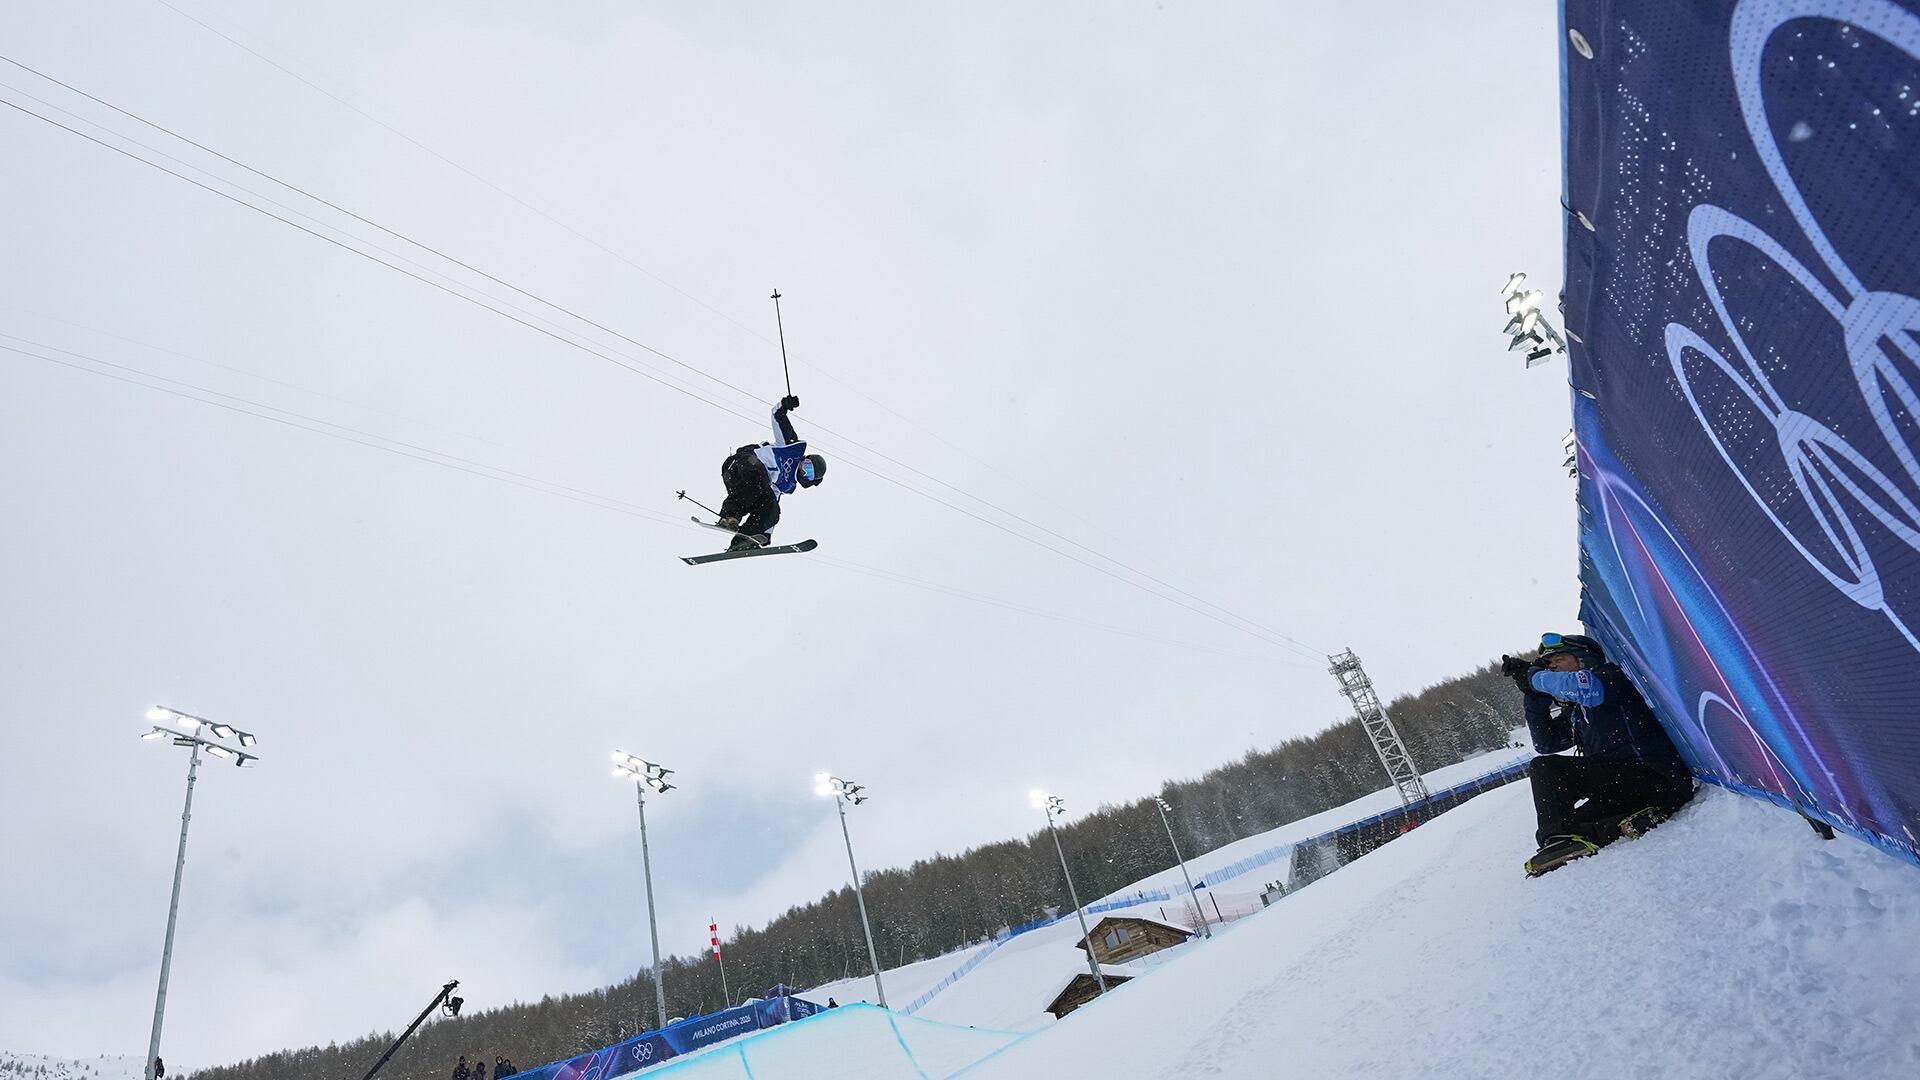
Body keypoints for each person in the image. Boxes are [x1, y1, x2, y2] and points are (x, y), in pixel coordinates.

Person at [1502, 633, 1695, 875]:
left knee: (1546, 768)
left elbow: (1584, 687)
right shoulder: (1578, 711)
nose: (1552, 667)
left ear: (1583, 659)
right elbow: (1546, 743)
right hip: (1627, 789)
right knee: (1564, 823)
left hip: (1656, 777)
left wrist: (1534, 678)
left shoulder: (1610, 678)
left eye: (1558, 659)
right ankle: (1635, 821)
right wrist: (1534, 696)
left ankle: (1565, 841)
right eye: (1548, 664)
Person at [716, 395, 826, 548]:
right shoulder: (791, 448)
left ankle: (745, 539)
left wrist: (766, 532)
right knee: (758, 477)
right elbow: (777, 415)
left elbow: (771, 503)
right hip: (740, 464)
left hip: (745, 486)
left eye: (809, 472)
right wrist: (785, 405)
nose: (803, 470)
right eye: (807, 464)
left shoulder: (785, 485)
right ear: (804, 458)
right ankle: (730, 516)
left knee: (772, 508)